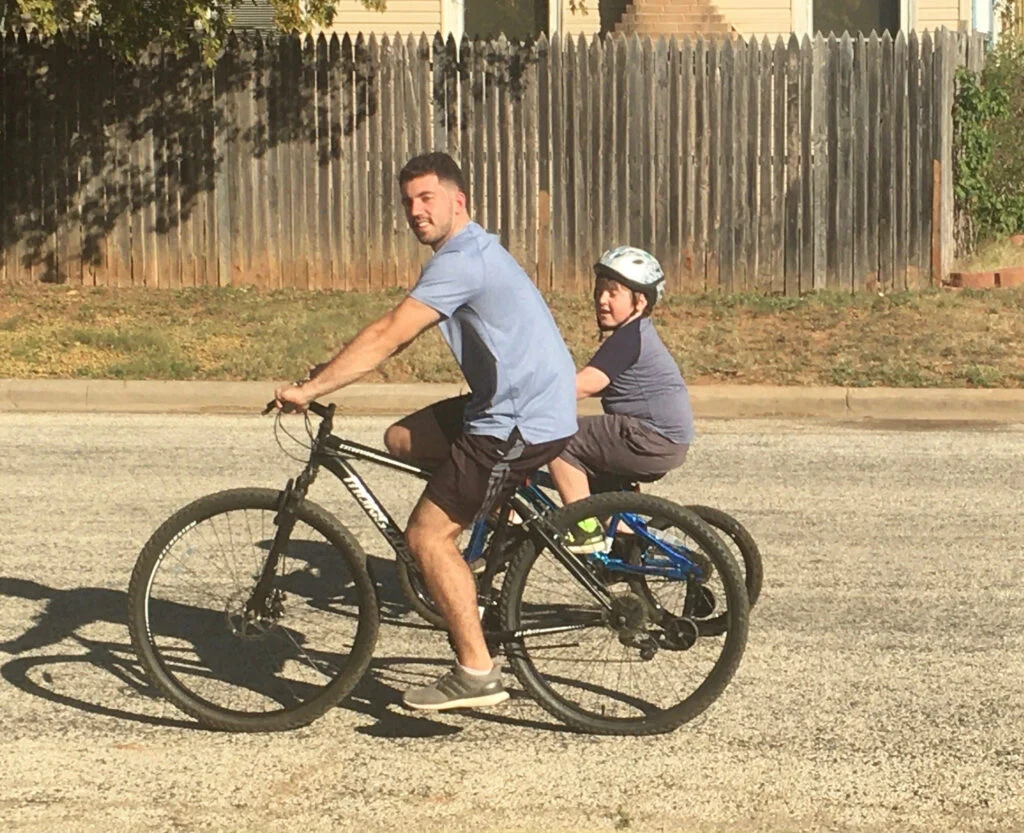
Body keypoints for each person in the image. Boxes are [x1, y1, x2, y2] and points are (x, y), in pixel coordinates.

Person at [273, 152, 578, 711]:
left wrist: (310, 391)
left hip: (517, 419)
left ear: (459, 201)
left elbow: (392, 331)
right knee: (402, 439)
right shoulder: (469, 250)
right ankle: (492, 511)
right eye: (408, 202)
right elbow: (400, 335)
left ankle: (477, 671)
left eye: (426, 198)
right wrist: (328, 373)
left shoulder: (462, 261)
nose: (415, 211)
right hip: (512, 404)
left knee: (426, 538)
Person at [546, 246, 695, 554]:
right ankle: (628, 545)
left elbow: (583, 386)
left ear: (640, 301)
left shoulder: (629, 338)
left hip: (649, 438)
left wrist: (526, 393)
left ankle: (583, 528)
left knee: (556, 436)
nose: (602, 300)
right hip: (664, 442)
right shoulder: (636, 334)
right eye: (599, 291)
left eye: (613, 293)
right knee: (597, 475)